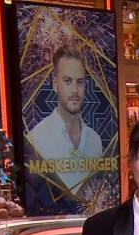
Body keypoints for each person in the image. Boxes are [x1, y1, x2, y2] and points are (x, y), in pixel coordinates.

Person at [27, 43, 104, 194]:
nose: (75, 90)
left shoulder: (95, 140)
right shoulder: (36, 139)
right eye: (67, 81)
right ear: (55, 84)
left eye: (79, 82)